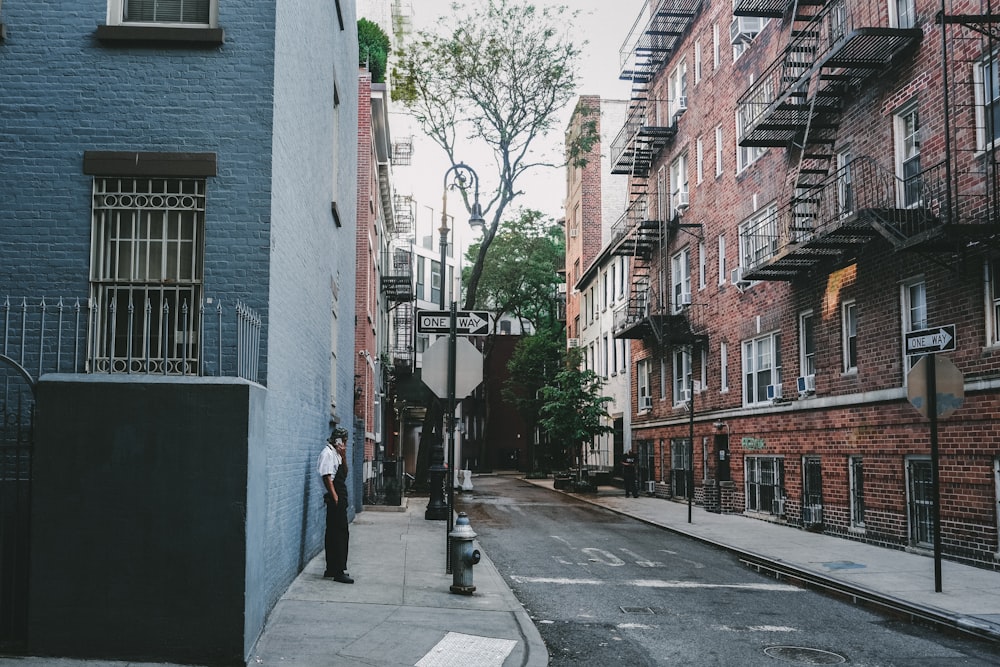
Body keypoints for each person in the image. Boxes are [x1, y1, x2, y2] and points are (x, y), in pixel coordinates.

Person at [318, 427, 353, 583]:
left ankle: (331, 568)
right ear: (338, 440)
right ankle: (338, 570)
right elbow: (327, 478)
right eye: (344, 440)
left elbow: (344, 473)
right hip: (335, 499)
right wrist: (336, 498)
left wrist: (344, 456)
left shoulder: (337, 454)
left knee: (334, 532)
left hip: (339, 498)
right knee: (339, 534)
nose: (345, 443)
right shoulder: (327, 453)